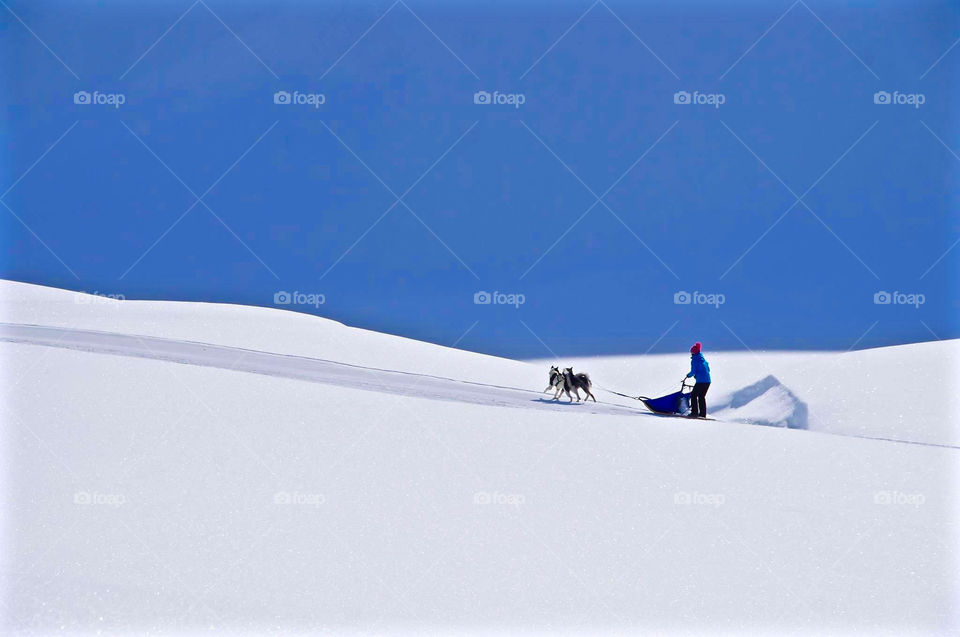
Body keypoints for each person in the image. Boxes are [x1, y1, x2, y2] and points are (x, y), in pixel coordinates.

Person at [685, 342, 711, 418]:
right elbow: (708, 370)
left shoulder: (694, 360)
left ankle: (694, 413)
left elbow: (693, 371)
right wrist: (698, 375)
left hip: (701, 381)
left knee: (693, 395)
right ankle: (703, 414)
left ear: (693, 353)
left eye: (691, 352)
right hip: (708, 381)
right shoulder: (703, 360)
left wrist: (688, 375)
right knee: (701, 397)